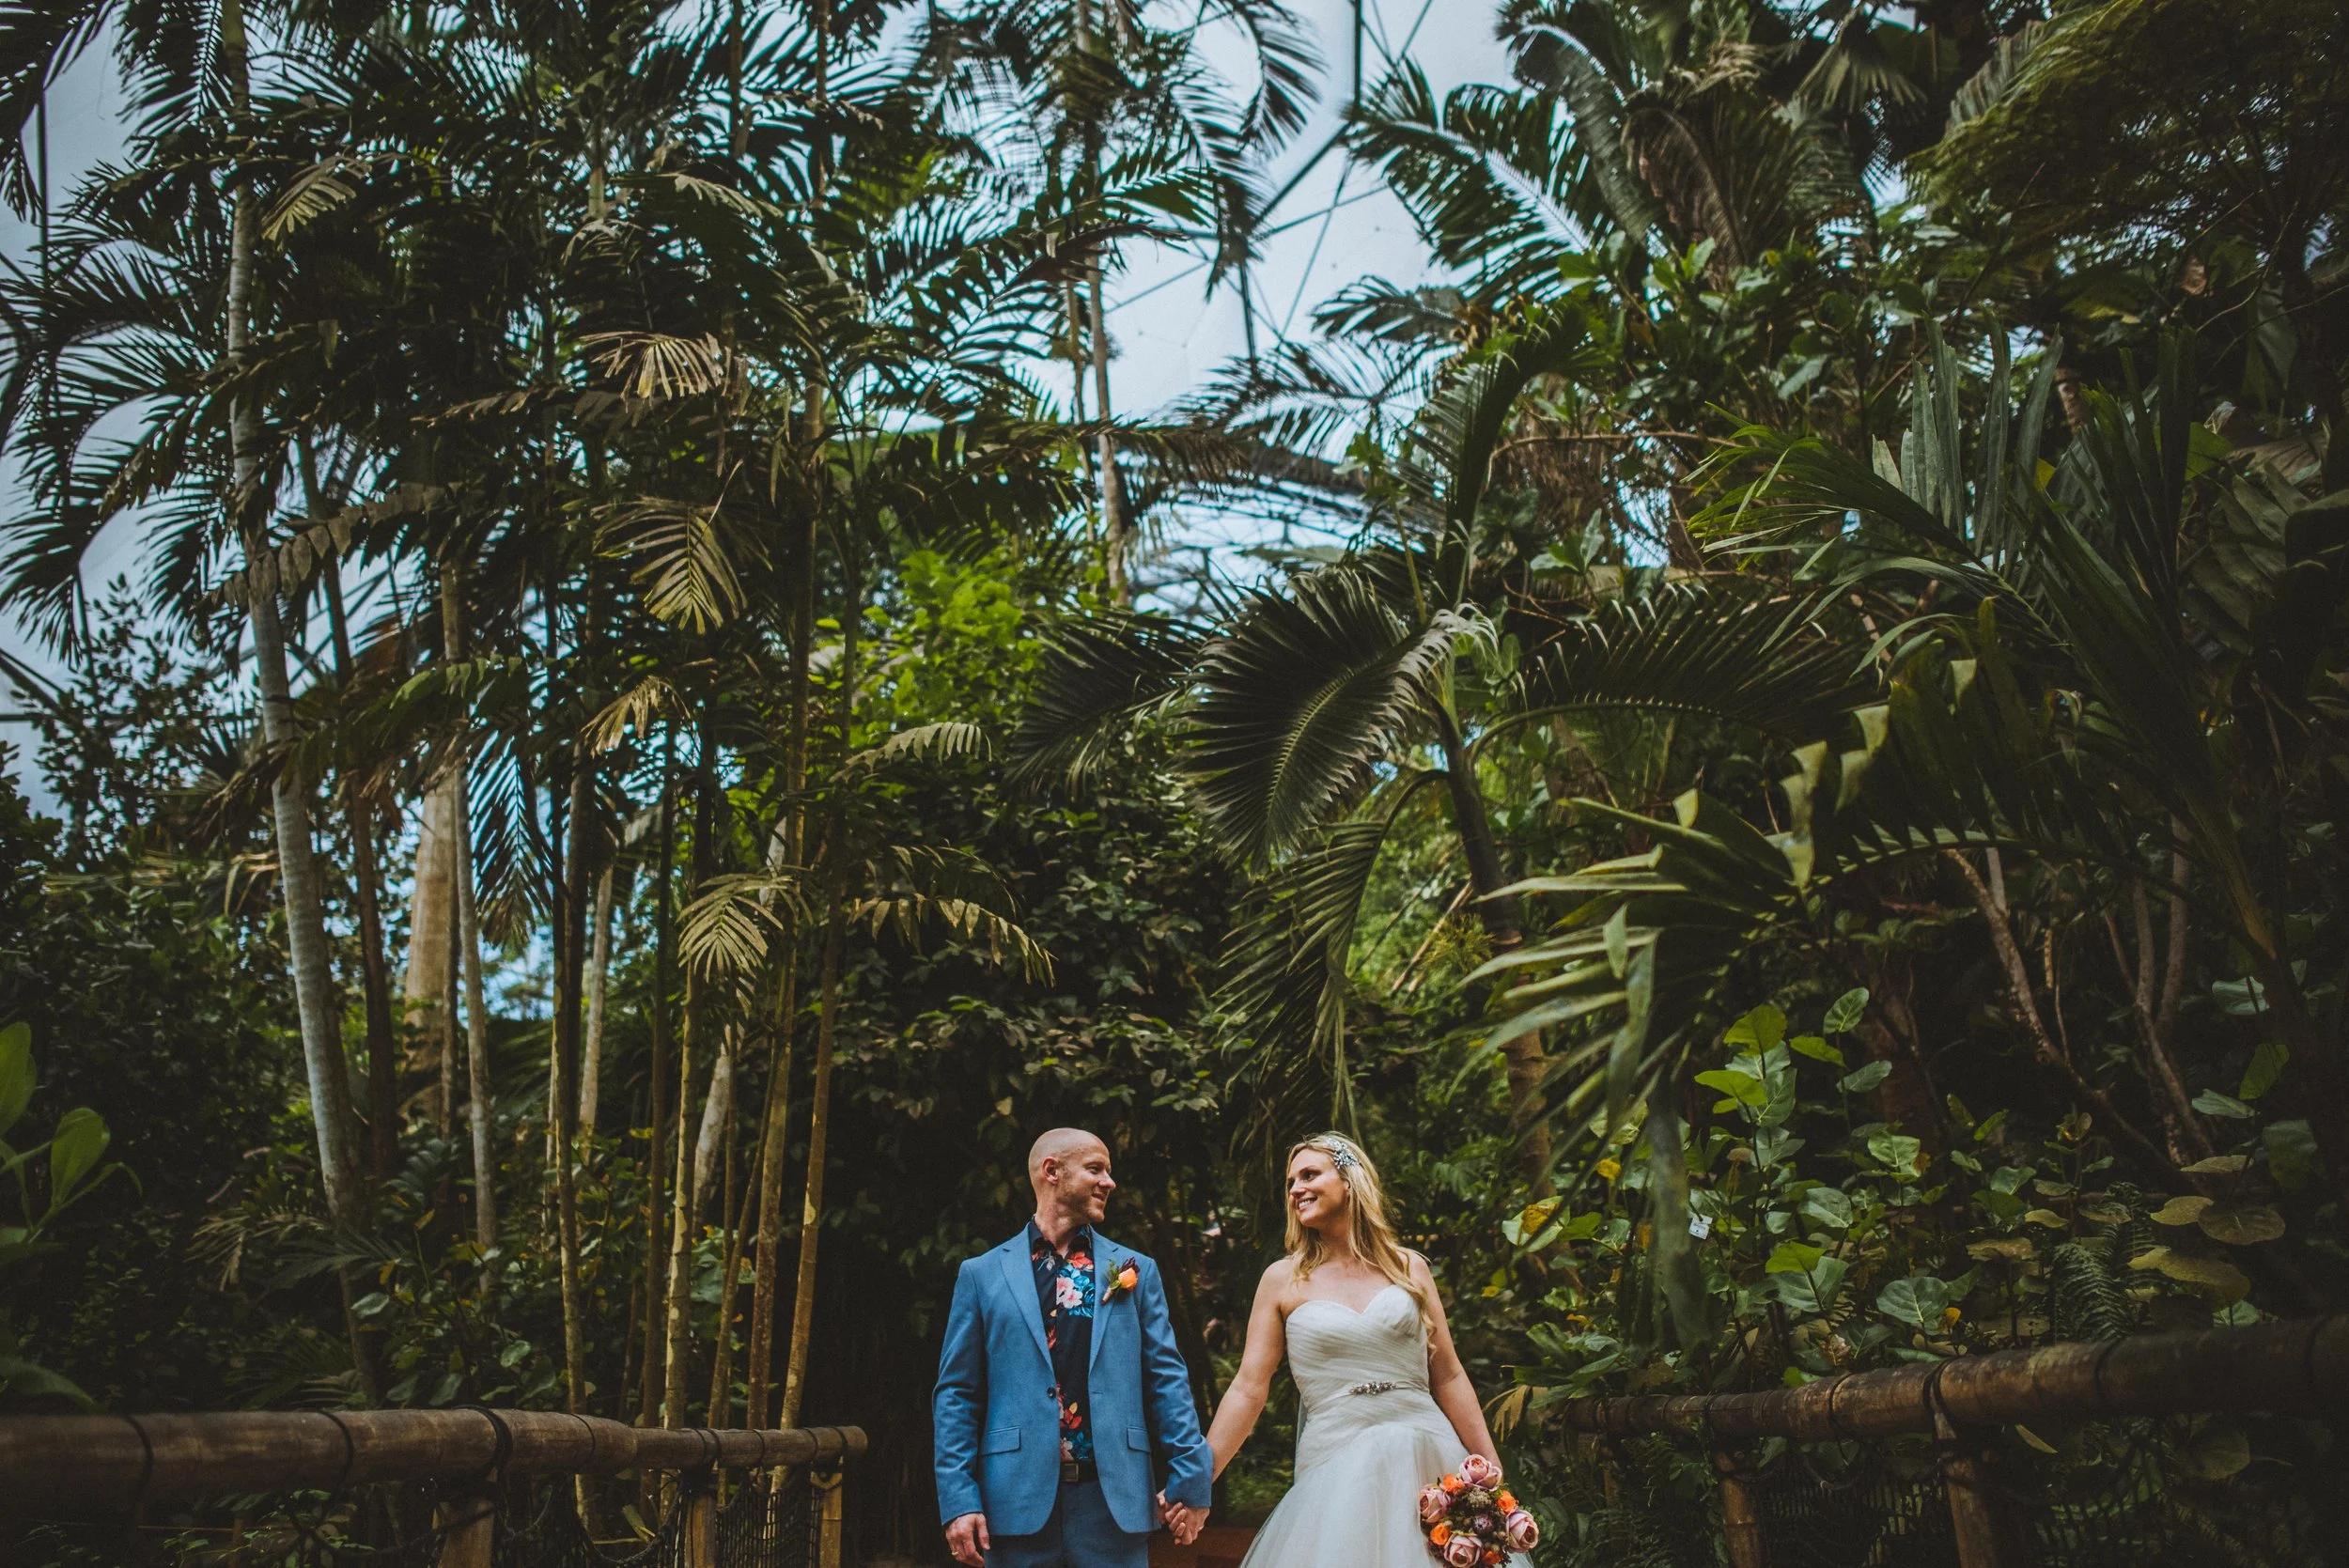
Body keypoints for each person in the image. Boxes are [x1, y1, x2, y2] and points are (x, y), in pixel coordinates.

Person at [1190, 1132, 1530, 1567]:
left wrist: (1492, 1474)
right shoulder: (1282, 1280)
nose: (1296, 1189)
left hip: (1427, 1455)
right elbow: (1248, 1388)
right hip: (1335, 1462)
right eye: (1291, 1182)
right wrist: (1200, 1479)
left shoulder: (1411, 1268)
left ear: (1349, 1180)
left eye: (1310, 1174)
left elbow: (1448, 1376)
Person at [934, 1128, 1214, 1567]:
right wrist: (958, 1498)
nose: (1109, 1182)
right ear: (1052, 1172)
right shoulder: (981, 1274)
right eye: (1095, 1169)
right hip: (1014, 1503)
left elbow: (1167, 1379)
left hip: (1112, 1504)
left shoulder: (1134, 1271)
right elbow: (957, 1394)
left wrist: (1192, 1477)